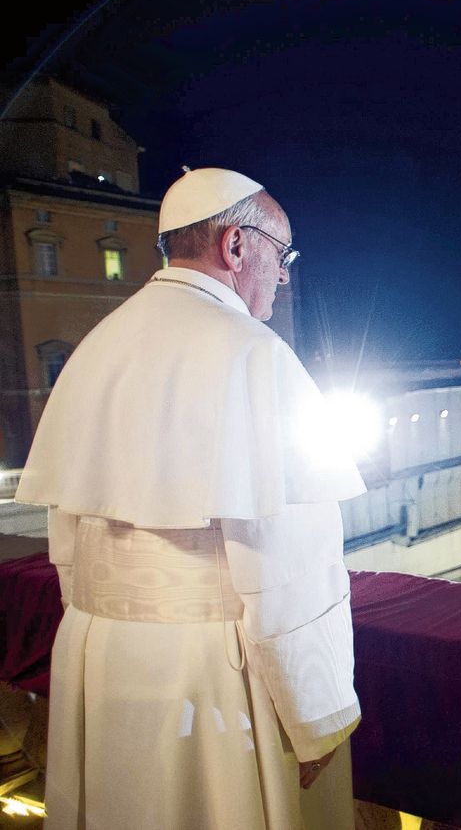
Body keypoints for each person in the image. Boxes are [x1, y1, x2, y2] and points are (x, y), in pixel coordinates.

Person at [16, 167, 367, 829]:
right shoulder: (255, 355)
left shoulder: (95, 347)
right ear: (236, 246)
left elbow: (66, 546)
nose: (285, 274)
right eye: (281, 254)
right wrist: (313, 714)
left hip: (100, 660)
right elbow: (292, 567)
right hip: (212, 682)